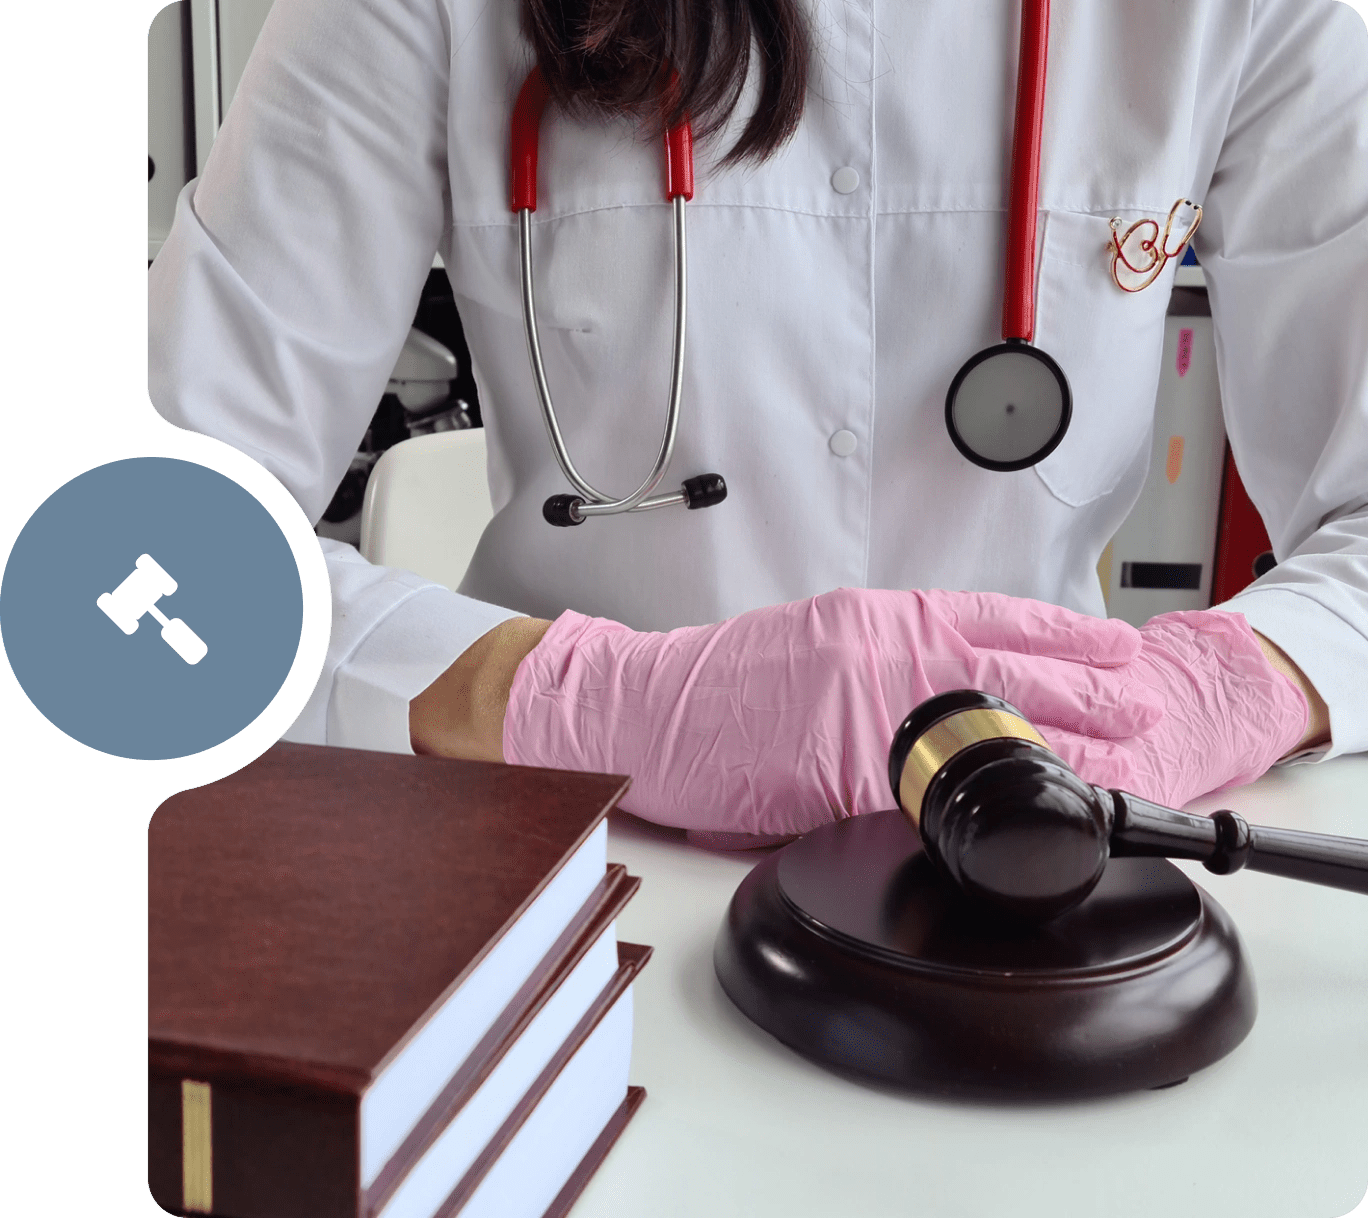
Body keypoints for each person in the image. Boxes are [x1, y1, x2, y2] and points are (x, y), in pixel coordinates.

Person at [149, 0, 1366, 841]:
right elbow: (124, 561)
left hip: (1035, 859)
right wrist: (580, 702)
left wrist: (1234, 682)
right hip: (555, 870)